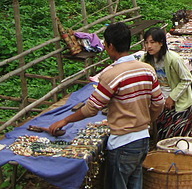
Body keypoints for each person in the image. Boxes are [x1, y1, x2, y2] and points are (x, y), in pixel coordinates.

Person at [49, 22, 164, 189]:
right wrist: (146, 121)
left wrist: (65, 121)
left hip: (123, 143)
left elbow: (91, 109)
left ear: (110, 46)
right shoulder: (147, 70)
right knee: (135, 182)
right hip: (142, 139)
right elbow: (158, 102)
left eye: (105, 44)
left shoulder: (111, 75)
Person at [141, 27, 192, 141]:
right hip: (160, 102)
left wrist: (172, 97)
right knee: (164, 137)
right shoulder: (145, 60)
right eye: (146, 43)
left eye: (152, 42)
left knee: (179, 137)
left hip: (178, 104)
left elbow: (186, 79)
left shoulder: (173, 59)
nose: (149, 46)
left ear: (161, 43)